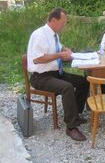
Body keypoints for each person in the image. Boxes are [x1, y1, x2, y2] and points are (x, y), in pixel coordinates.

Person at [27, 8, 89, 141]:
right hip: (41, 77)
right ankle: (71, 127)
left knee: (84, 81)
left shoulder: (54, 34)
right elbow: (37, 59)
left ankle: (75, 114)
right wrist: (60, 55)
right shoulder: (39, 35)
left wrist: (64, 49)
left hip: (55, 73)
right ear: (54, 20)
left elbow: (57, 47)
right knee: (66, 87)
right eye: (63, 22)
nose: (64, 25)